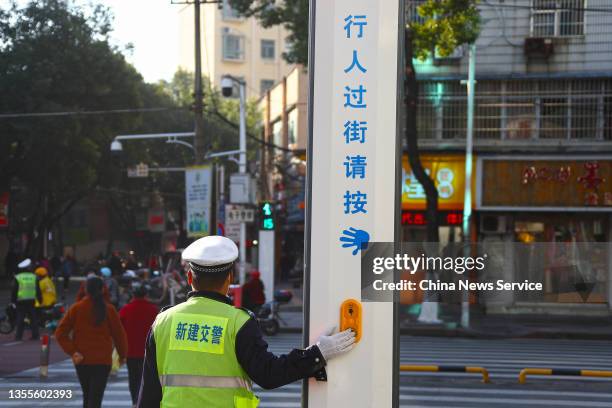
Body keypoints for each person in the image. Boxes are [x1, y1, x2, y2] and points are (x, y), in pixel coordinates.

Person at [137, 236, 356, 407]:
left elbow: (148, 395)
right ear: (230, 278)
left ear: (190, 278)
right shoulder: (238, 322)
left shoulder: (162, 322)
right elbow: (269, 374)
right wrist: (317, 354)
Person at [56, 276, 128, 408]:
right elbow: (119, 336)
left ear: (85, 290)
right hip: (102, 360)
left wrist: (73, 352)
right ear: (102, 289)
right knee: (96, 398)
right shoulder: (109, 309)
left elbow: (60, 333)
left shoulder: (76, 308)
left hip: (82, 359)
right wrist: (122, 356)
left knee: (87, 395)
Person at [119, 282, 159, 406]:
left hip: (130, 350)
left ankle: (134, 402)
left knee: (133, 378)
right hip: (149, 351)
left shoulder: (125, 310)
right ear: (146, 294)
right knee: (147, 378)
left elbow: (120, 330)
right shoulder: (154, 310)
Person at [11, 259, 42, 341]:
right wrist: (40, 299)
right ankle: (35, 335)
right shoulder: (34, 277)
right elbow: (38, 290)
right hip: (31, 300)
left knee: (20, 319)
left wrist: (13, 301)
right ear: (29, 267)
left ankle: (18, 337)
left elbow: (14, 290)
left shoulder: (18, 277)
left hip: (21, 301)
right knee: (33, 319)